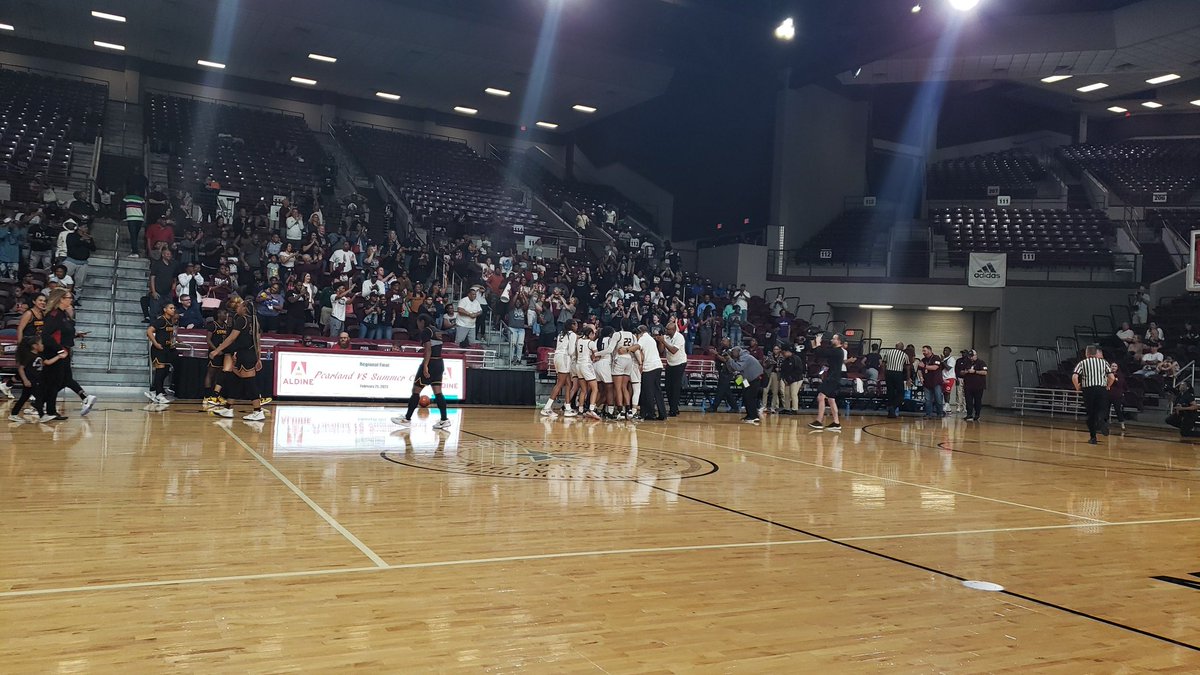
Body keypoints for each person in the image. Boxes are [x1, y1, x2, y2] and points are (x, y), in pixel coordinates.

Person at [207, 297, 268, 421]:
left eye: (240, 306)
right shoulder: (255, 321)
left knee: (250, 384)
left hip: (245, 354)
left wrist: (217, 350)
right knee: (235, 380)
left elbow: (231, 339)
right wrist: (259, 358)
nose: (238, 308)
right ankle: (228, 408)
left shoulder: (242, 320)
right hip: (248, 354)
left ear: (244, 308)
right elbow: (258, 341)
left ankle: (258, 411)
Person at [41, 289, 97, 416]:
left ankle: (42, 403)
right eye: (68, 298)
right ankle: (47, 408)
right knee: (56, 381)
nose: (71, 300)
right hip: (56, 352)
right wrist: (59, 349)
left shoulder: (64, 315)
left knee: (63, 380)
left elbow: (63, 333)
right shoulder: (54, 315)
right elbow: (46, 335)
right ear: (61, 299)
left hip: (65, 351)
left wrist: (76, 335)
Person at [392, 314, 452, 430]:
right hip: (439, 363)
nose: (418, 325)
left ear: (422, 321)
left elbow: (428, 349)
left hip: (431, 363)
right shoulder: (437, 331)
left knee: (416, 390)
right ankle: (444, 419)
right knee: (438, 392)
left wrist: (425, 366)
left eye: (418, 322)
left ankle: (407, 419)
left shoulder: (426, 331)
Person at [9, 335, 59, 423]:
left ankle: (13, 414)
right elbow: (21, 369)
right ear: (35, 346)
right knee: (39, 397)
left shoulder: (39, 355)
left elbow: (47, 362)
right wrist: (25, 380)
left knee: (24, 398)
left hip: (36, 381)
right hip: (30, 381)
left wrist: (59, 357)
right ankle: (42, 415)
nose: (43, 345)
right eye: (41, 344)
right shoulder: (28, 356)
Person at [1071, 345, 1114, 445]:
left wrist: (1077, 387)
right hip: (1101, 388)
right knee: (1102, 409)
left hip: (1088, 390)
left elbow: (1074, 376)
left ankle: (1093, 437)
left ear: (1087, 353)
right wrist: (1108, 385)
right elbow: (1111, 377)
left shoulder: (1082, 362)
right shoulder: (1104, 362)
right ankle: (1101, 421)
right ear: (1095, 353)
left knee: (1091, 414)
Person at [542, 319, 578, 417]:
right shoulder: (573, 335)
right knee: (560, 383)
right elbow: (570, 351)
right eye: (576, 325)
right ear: (572, 325)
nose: (577, 327)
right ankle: (547, 407)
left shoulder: (561, 334)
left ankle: (567, 407)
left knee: (568, 384)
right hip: (564, 358)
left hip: (557, 356)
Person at [808, 333, 844, 432]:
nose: (831, 340)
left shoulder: (837, 351)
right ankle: (836, 423)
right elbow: (818, 352)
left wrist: (818, 342)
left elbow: (822, 353)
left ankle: (819, 421)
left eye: (834, 339)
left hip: (832, 378)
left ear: (839, 341)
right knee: (831, 399)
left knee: (821, 396)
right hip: (834, 377)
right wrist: (815, 344)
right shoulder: (837, 351)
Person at [146, 301, 178, 404]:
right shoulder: (161, 320)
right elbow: (149, 331)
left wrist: (173, 343)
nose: (173, 310)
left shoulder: (170, 322)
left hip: (167, 349)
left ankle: (154, 391)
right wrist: (155, 343)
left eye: (174, 308)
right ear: (165, 310)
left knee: (166, 370)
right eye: (171, 308)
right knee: (160, 371)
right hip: (158, 348)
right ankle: (158, 394)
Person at [634, 324, 667, 421]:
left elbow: (637, 348)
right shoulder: (651, 339)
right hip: (657, 366)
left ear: (640, 332)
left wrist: (627, 349)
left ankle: (650, 413)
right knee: (657, 391)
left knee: (647, 391)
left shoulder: (643, 339)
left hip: (650, 367)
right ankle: (662, 413)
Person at [728, 347, 764, 425]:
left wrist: (729, 359)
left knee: (750, 397)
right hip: (747, 380)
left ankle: (754, 417)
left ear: (738, 351)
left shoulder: (745, 357)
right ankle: (749, 415)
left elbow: (738, 367)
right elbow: (737, 370)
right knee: (745, 396)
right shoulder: (741, 358)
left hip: (755, 379)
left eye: (733, 351)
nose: (732, 353)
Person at [204, 308, 231, 404]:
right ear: (219, 314)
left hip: (223, 353)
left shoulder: (226, 326)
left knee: (219, 375)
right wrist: (216, 350)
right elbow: (208, 340)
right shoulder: (213, 325)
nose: (226, 315)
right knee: (210, 374)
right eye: (224, 313)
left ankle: (215, 395)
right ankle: (207, 396)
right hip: (214, 353)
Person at [661, 320, 687, 417]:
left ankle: (673, 409)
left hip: (680, 363)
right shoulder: (666, 337)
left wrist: (663, 341)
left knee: (675, 386)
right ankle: (674, 407)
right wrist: (661, 342)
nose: (666, 330)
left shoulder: (679, 337)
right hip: (670, 363)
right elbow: (661, 351)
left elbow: (673, 351)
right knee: (668, 386)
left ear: (673, 330)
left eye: (668, 329)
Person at [916, 345, 945, 419]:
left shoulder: (936, 357)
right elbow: (919, 370)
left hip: (936, 382)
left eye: (924, 351)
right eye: (923, 351)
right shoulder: (923, 360)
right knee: (927, 399)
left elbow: (935, 367)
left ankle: (940, 413)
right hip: (927, 383)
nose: (923, 352)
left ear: (929, 350)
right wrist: (921, 377)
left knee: (938, 398)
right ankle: (928, 414)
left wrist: (925, 366)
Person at [959, 349, 987, 421]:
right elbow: (961, 371)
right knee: (968, 400)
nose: (971, 358)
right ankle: (969, 414)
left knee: (977, 400)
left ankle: (977, 415)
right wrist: (965, 372)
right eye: (969, 356)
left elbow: (985, 372)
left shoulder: (981, 362)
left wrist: (975, 371)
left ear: (976, 355)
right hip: (968, 385)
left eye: (972, 356)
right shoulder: (966, 362)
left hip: (978, 385)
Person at [1108, 361, 1127, 432]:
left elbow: (1121, 384)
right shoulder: (1107, 374)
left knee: (1118, 410)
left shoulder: (1120, 375)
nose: (1113, 367)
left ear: (1117, 368)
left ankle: (1122, 424)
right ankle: (1104, 424)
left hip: (1117, 395)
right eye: (1112, 366)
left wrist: (1114, 380)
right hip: (1108, 394)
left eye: (1115, 366)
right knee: (1105, 410)